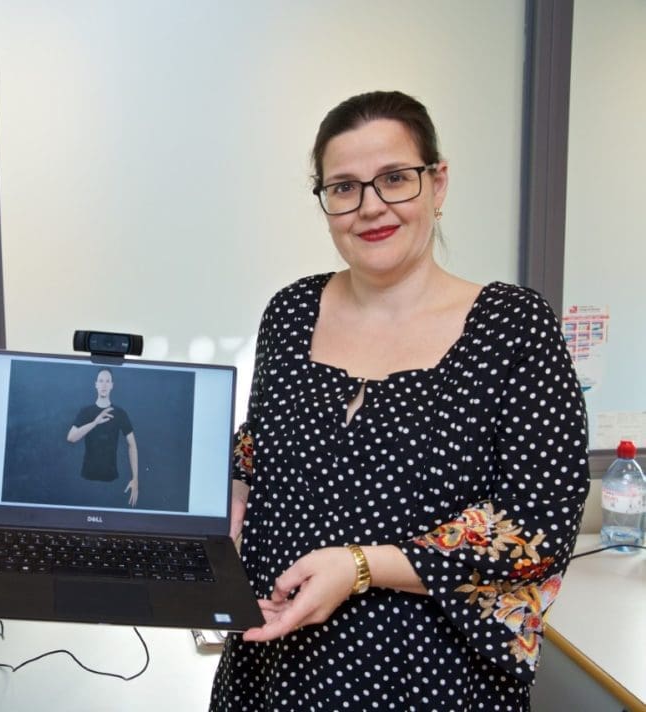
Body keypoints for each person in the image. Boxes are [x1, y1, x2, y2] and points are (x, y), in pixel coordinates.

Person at [210, 91, 590, 710]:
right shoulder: (292, 311)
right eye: (344, 187)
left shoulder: (513, 327)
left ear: (437, 184)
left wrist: (361, 566)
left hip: (432, 679)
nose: (370, 207)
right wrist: (226, 504)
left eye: (394, 178)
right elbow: (257, 452)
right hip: (273, 669)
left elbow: (536, 527)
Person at [66, 368, 140, 506]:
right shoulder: (86, 412)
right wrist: (95, 422)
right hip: (86, 479)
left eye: (107, 381)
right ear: (96, 384)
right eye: (101, 381)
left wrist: (135, 478)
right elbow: (71, 437)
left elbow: (132, 445)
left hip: (112, 481)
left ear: (112, 385)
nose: (104, 385)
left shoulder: (120, 413)